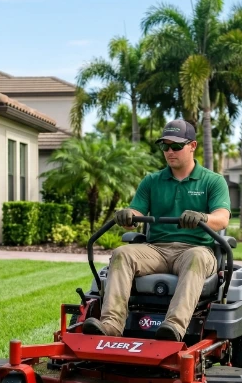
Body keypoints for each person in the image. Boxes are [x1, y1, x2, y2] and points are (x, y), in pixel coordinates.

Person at [83, 119, 231, 341]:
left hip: (196, 249)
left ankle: (172, 328)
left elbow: (222, 218)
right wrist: (128, 216)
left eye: (176, 146)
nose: (170, 151)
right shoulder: (152, 181)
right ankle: (111, 325)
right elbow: (135, 213)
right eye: (165, 146)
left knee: (196, 257)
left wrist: (203, 217)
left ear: (192, 146)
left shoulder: (213, 181)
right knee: (122, 253)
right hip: (157, 250)